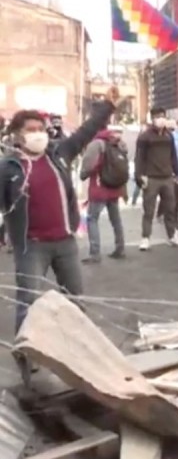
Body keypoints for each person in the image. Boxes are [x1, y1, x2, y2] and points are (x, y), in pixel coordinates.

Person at [0, 86, 118, 338]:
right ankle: (27, 353)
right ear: (17, 136)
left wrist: (107, 106)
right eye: (30, 130)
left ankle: (80, 347)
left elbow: (86, 132)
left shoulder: (58, 154)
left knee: (75, 300)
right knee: (28, 301)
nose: (37, 134)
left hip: (65, 243)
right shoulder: (8, 168)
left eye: (40, 129)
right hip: (31, 246)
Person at [135, 108, 178, 251]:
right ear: (152, 119)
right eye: (157, 116)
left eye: (162, 116)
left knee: (170, 208)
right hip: (151, 178)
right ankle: (145, 238)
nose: (160, 119)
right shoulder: (145, 137)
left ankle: (173, 235)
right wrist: (140, 176)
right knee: (149, 210)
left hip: (168, 177)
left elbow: (173, 156)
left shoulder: (169, 136)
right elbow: (139, 158)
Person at [79, 124, 128, 263]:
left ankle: (95, 253)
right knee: (116, 219)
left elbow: (89, 166)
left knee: (92, 219)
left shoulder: (96, 144)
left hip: (99, 188)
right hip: (115, 187)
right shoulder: (119, 144)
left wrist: (83, 175)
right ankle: (120, 248)